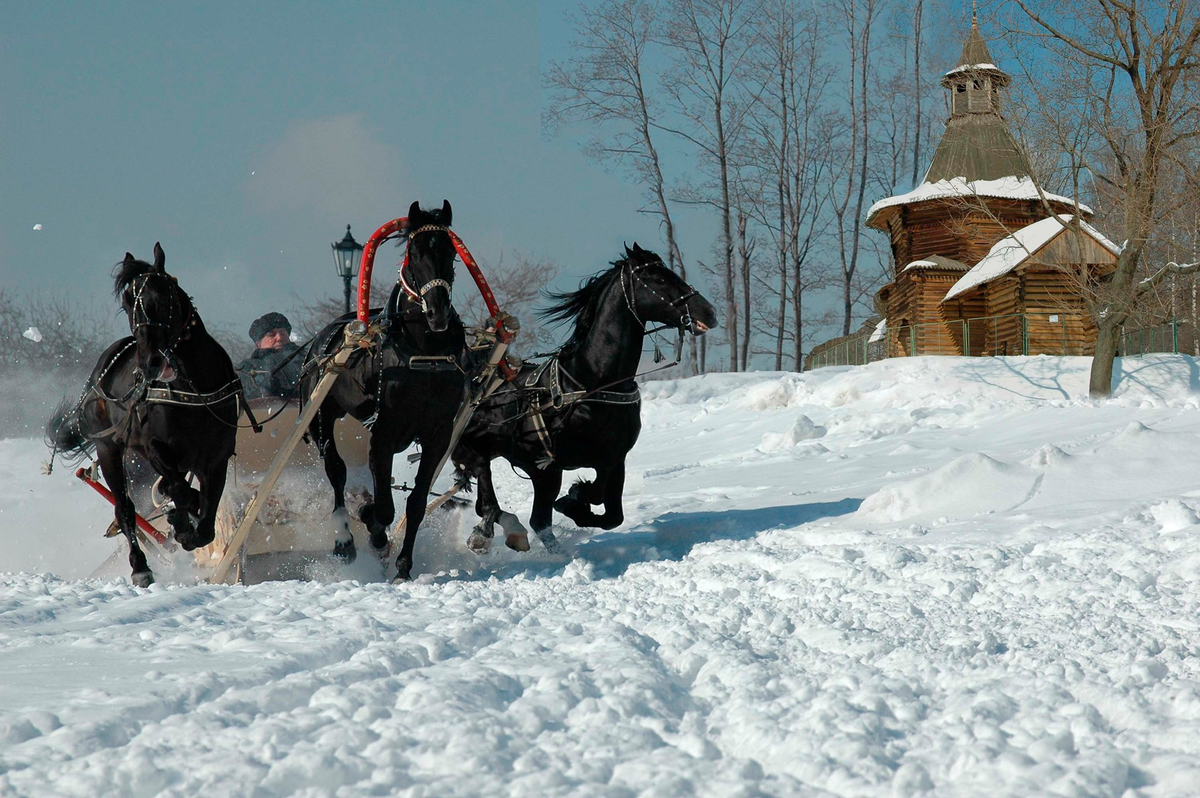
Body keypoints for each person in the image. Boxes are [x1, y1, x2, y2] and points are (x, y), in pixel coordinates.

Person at [236, 312, 303, 401]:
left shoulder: (306, 356)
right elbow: (249, 393)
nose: (279, 338)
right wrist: (263, 379)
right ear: (259, 343)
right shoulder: (249, 366)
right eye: (271, 335)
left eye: (283, 333)